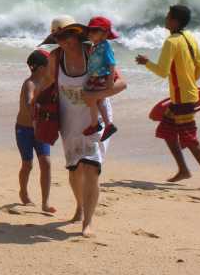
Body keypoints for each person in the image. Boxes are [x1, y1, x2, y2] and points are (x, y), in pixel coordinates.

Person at [42, 19, 127, 237]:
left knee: (91, 167)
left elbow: (121, 83)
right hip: (69, 122)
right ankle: (79, 206)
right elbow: (48, 84)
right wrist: (34, 106)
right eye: (59, 37)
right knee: (74, 169)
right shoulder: (55, 58)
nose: (64, 41)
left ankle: (87, 222)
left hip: (95, 120)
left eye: (67, 35)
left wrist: (96, 95)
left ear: (77, 34)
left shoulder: (93, 53)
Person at [136, 5, 200, 190]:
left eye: (168, 16)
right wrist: (189, 82)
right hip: (185, 95)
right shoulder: (189, 37)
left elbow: (162, 71)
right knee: (167, 131)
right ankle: (183, 170)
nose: (165, 19)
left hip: (182, 99)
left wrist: (146, 62)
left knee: (190, 139)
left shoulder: (171, 42)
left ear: (175, 21)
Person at [16, 50, 54, 213]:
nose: (51, 67)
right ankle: (23, 192)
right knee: (28, 164)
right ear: (40, 68)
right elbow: (29, 102)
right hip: (24, 130)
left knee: (46, 163)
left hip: (41, 129)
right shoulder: (29, 83)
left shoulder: (50, 82)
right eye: (49, 64)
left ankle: (45, 202)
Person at [82, 16, 119, 141]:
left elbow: (112, 63)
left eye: (94, 31)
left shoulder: (105, 46)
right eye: (89, 30)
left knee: (91, 98)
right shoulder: (95, 46)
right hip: (95, 77)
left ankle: (95, 124)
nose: (90, 33)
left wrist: (110, 81)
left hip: (101, 78)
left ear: (105, 33)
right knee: (98, 101)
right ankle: (108, 125)